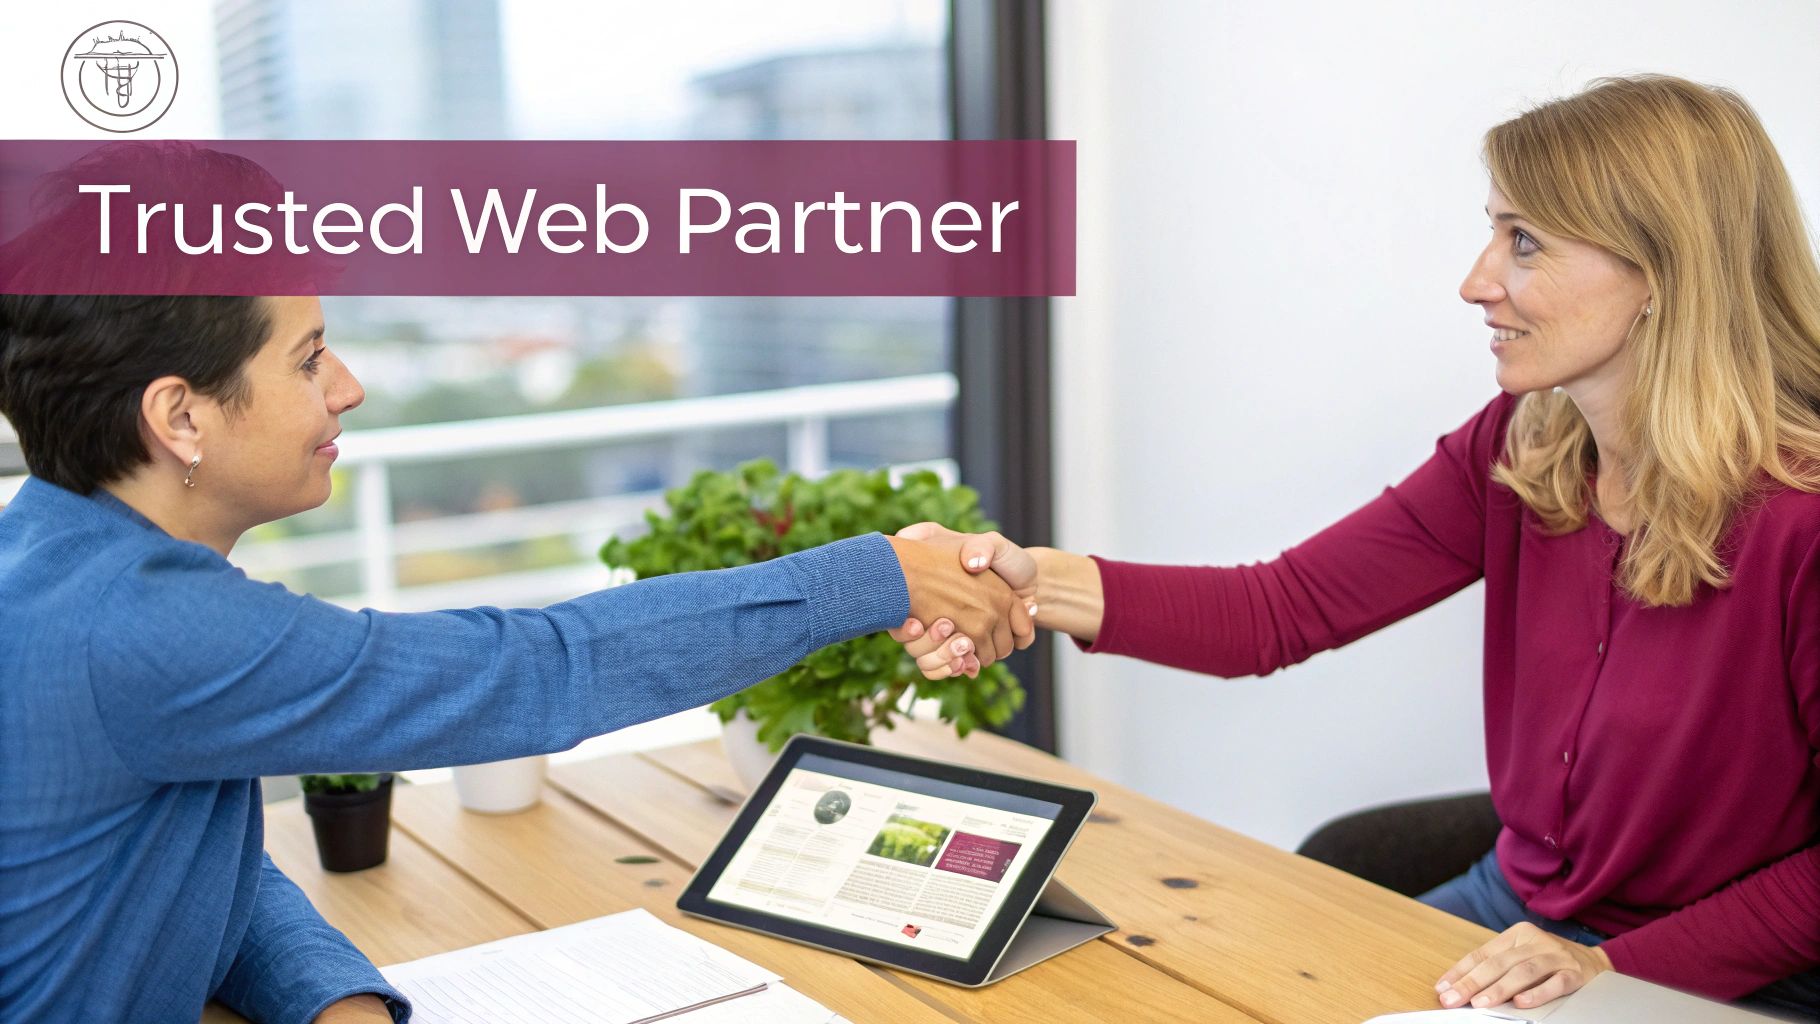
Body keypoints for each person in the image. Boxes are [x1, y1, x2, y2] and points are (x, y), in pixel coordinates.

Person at [895, 75, 1820, 1017]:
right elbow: (1280, 608)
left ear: (1662, 269)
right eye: (1495, 229)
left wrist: (1612, 972)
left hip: (1728, 971)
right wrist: (1022, 581)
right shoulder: (1521, 448)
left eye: (1526, 241)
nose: (1477, 280)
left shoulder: (1800, 521)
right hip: (1520, 918)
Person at [0, 292, 1033, 1023]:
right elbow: (539, 671)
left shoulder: (48, 550)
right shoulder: (141, 630)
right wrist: (883, 574)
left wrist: (330, 993)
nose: (347, 387)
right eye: (309, 357)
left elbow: (199, 848)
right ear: (180, 416)